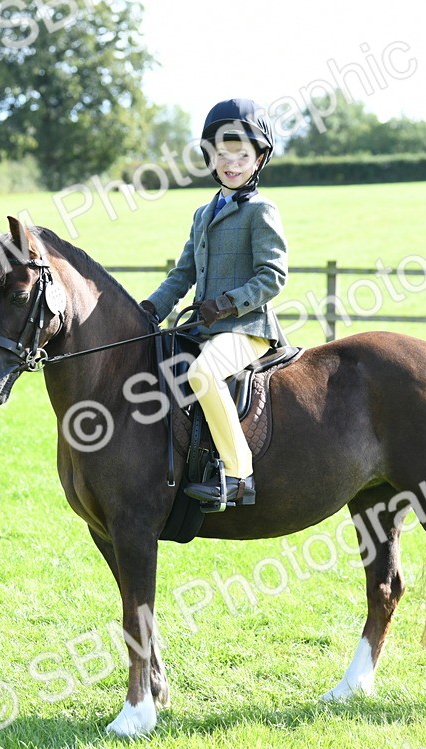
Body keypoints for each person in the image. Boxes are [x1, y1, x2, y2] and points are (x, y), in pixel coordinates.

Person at [140, 98, 288, 510]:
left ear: (259, 159)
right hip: (203, 328)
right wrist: (151, 308)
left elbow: (273, 277)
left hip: (248, 329)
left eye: (241, 155)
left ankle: (240, 476)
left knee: (203, 372)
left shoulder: (261, 211)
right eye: (222, 154)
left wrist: (226, 304)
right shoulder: (202, 213)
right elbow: (182, 274)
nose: (231, 163)